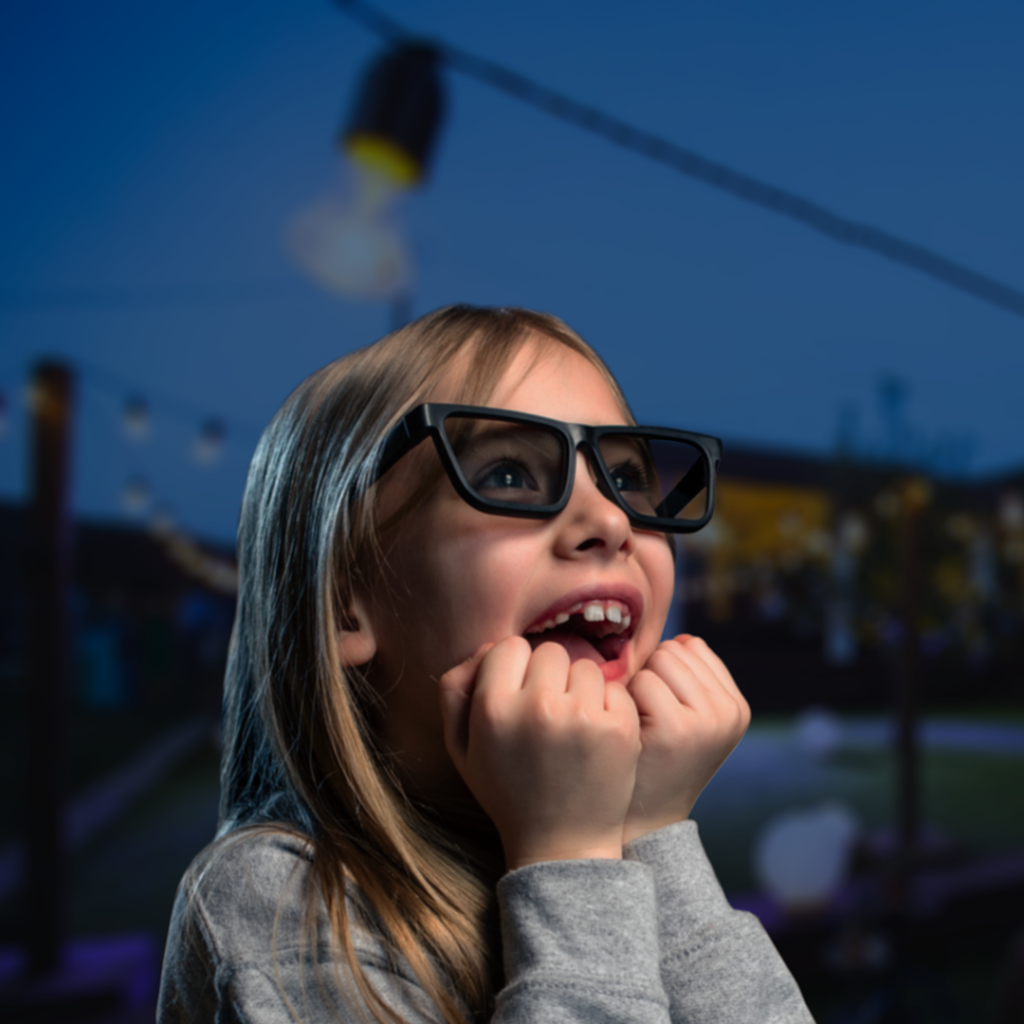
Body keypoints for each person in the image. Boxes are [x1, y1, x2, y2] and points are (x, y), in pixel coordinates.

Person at [158, 305, 815, 1024]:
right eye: (507, 474)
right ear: (348, 599)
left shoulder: (625, 844)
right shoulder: (280, 905)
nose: (613, 521)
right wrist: (571, 857)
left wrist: (650, 835)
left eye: (627, 479)